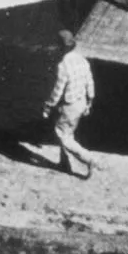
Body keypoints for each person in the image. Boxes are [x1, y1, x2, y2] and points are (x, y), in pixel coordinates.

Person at [44, 26, 97, 179]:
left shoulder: (63, 65)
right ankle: (64, 163)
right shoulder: (83, 60)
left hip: (70, 105)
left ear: (61, 48)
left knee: (62, 135)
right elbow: (90, 83)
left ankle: (88, 158)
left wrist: (48, 105)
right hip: (81, 103)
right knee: (68, 132)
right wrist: (90, 102)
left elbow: (58, 90)